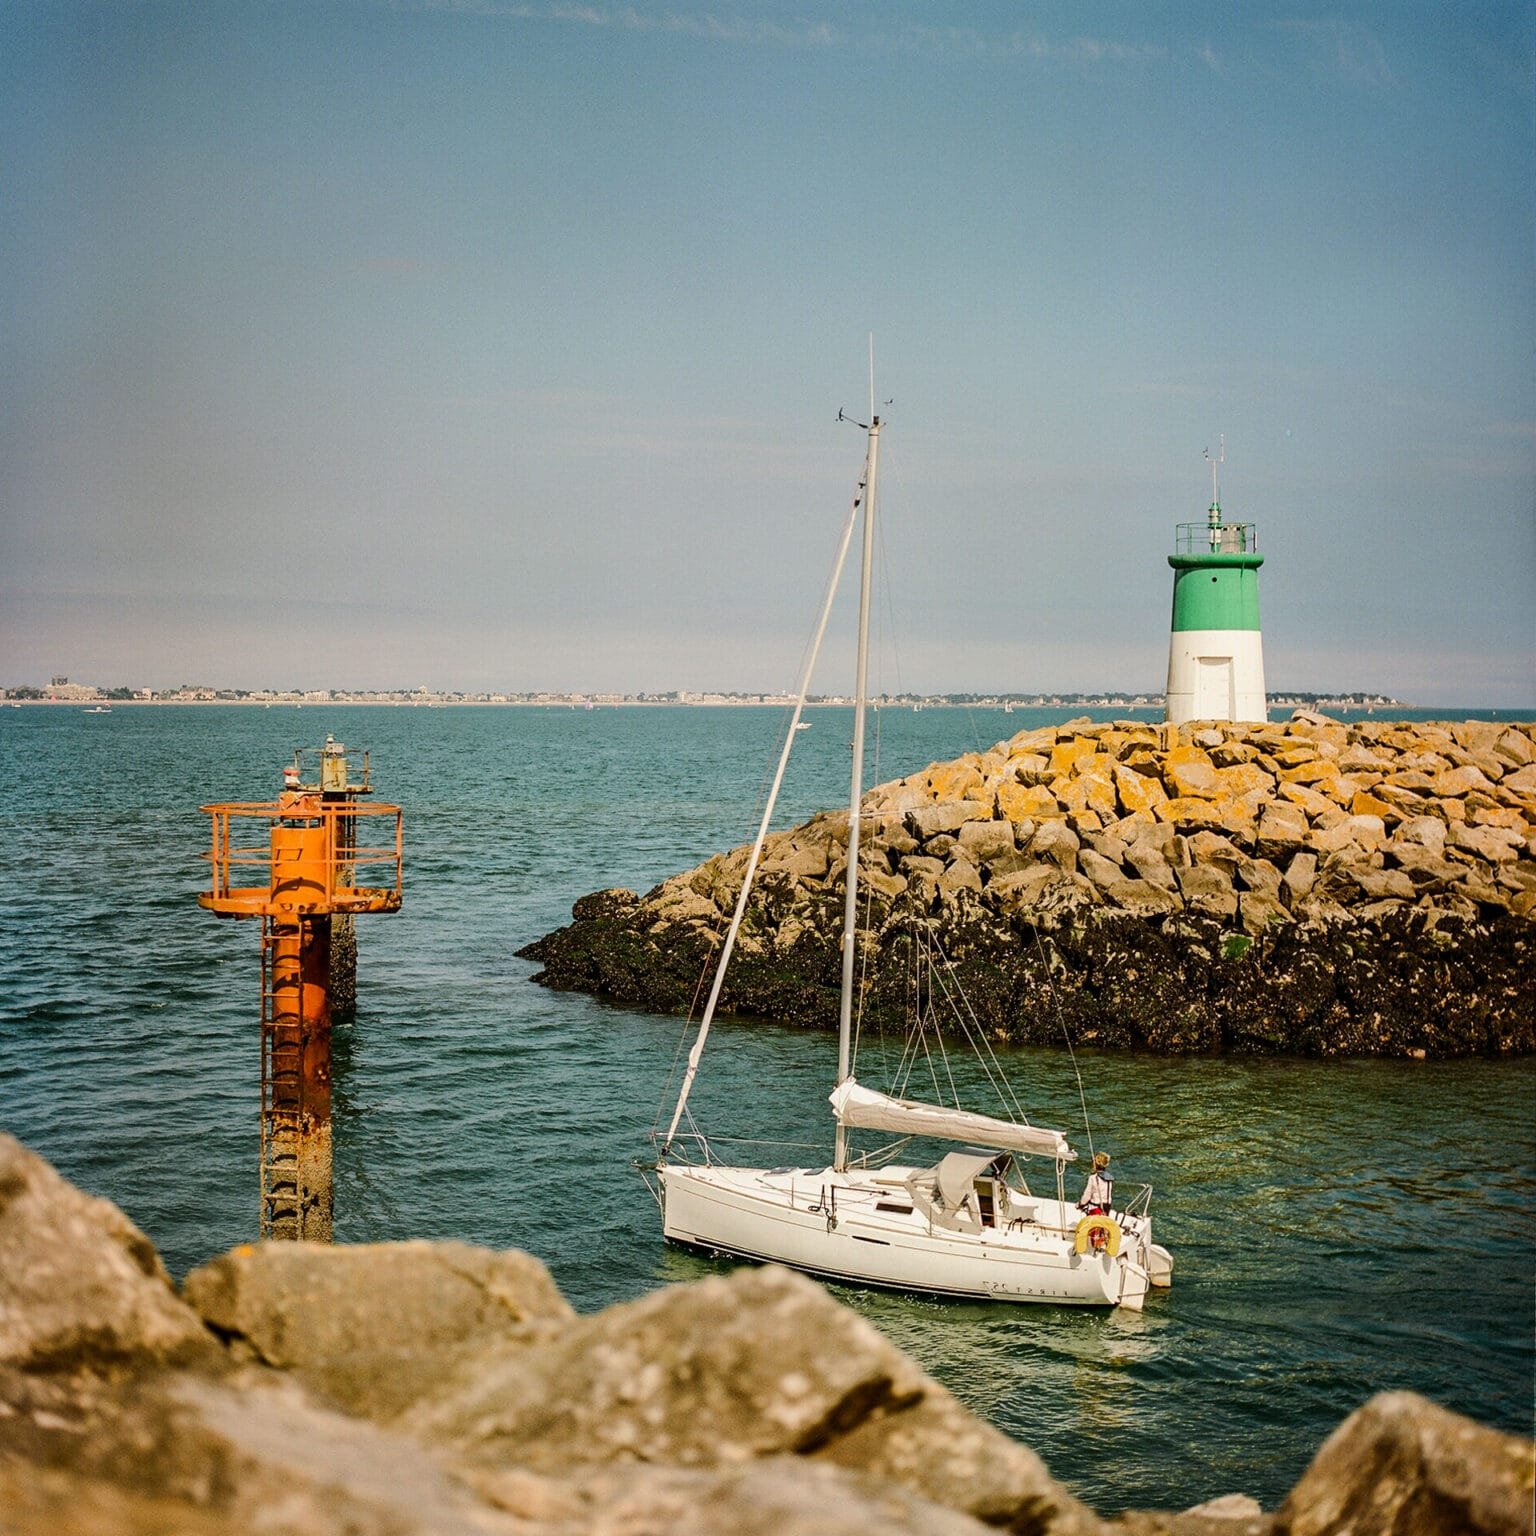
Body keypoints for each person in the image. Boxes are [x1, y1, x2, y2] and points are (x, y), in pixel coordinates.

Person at [1078, 1151, 1113, 1215]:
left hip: (1095, 1210)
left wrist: (1080, 1204)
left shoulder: (1093, 1178)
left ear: (1095, 1164)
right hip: (1106, 1210)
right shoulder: (1109, 1179)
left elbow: (1087, 1196)